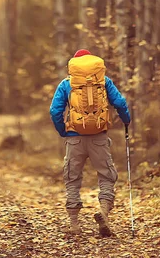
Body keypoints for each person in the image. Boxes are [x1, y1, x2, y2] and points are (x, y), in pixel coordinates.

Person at [49, 49, 131, 237]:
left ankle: (74, 224)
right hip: (99, 138)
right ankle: (103, 212)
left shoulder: (67, 83)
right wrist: (126, 121)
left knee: (72, 178)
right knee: (107, 176)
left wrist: (64, 131)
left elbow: (55, 111)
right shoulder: (103, 82)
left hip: (74, 138)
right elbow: (120, 102)